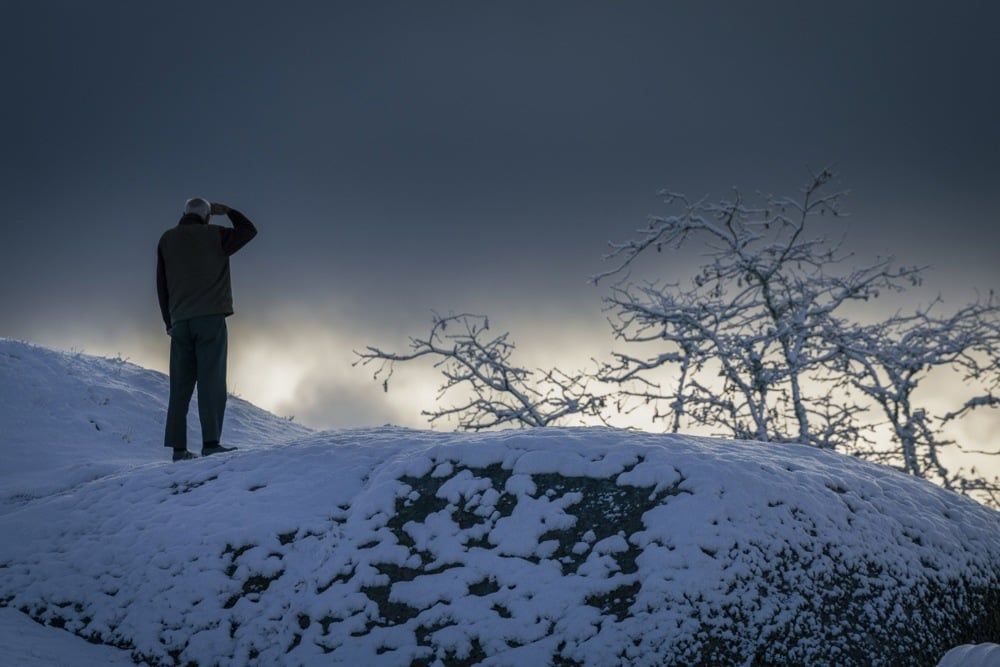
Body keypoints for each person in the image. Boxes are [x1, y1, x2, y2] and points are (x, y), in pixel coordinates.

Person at [157, 197, 257, 462]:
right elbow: (249, 231)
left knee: (180, 386)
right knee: (211, 381)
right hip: (210, 319)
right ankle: (211, 443)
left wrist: (169, 322)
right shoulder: (216, 235)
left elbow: (161, 286)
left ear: (183, 214)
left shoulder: (167, 239)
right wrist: (229, 211)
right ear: (208, 216)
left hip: (180, 322)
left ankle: (179, 450)